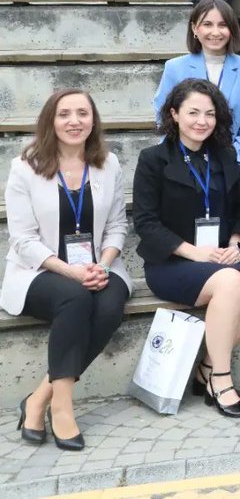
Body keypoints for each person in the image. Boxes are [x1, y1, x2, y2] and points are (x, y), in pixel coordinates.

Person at [3, 90, 132, 451]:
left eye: (82, 113)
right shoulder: (24, 168)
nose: (74, 121)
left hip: (98, 265)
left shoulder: (109, 163)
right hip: (39, 270)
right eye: (64, 114)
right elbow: (22, 240)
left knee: (108, 306)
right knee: (75, 298)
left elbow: (117, 227)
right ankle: (62, 407)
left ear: (93, 121)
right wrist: (72, 272)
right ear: (51, 121)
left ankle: (39, 398)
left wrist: (103, 265)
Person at [133, 79, 240, 418]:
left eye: (209, 113)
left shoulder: (224, 155)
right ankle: (221, 379)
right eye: (192, 112)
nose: (201, 121)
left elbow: (239, 210)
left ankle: (207, 366)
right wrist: (195, 253)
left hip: (220, 255)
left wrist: (235, 243)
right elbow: (146, 224)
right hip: (173, 262)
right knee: (231, 282)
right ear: (174, 114)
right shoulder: (153, 160)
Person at [153, 0, 240, 171]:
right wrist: (179, 157)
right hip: (183, 160)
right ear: (194, 29)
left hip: (230, 161)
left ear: (232, 29)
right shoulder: (174, 68)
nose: (215, 32)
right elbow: (163, 115)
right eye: (207, 24)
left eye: (222, 25)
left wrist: (233, 157)